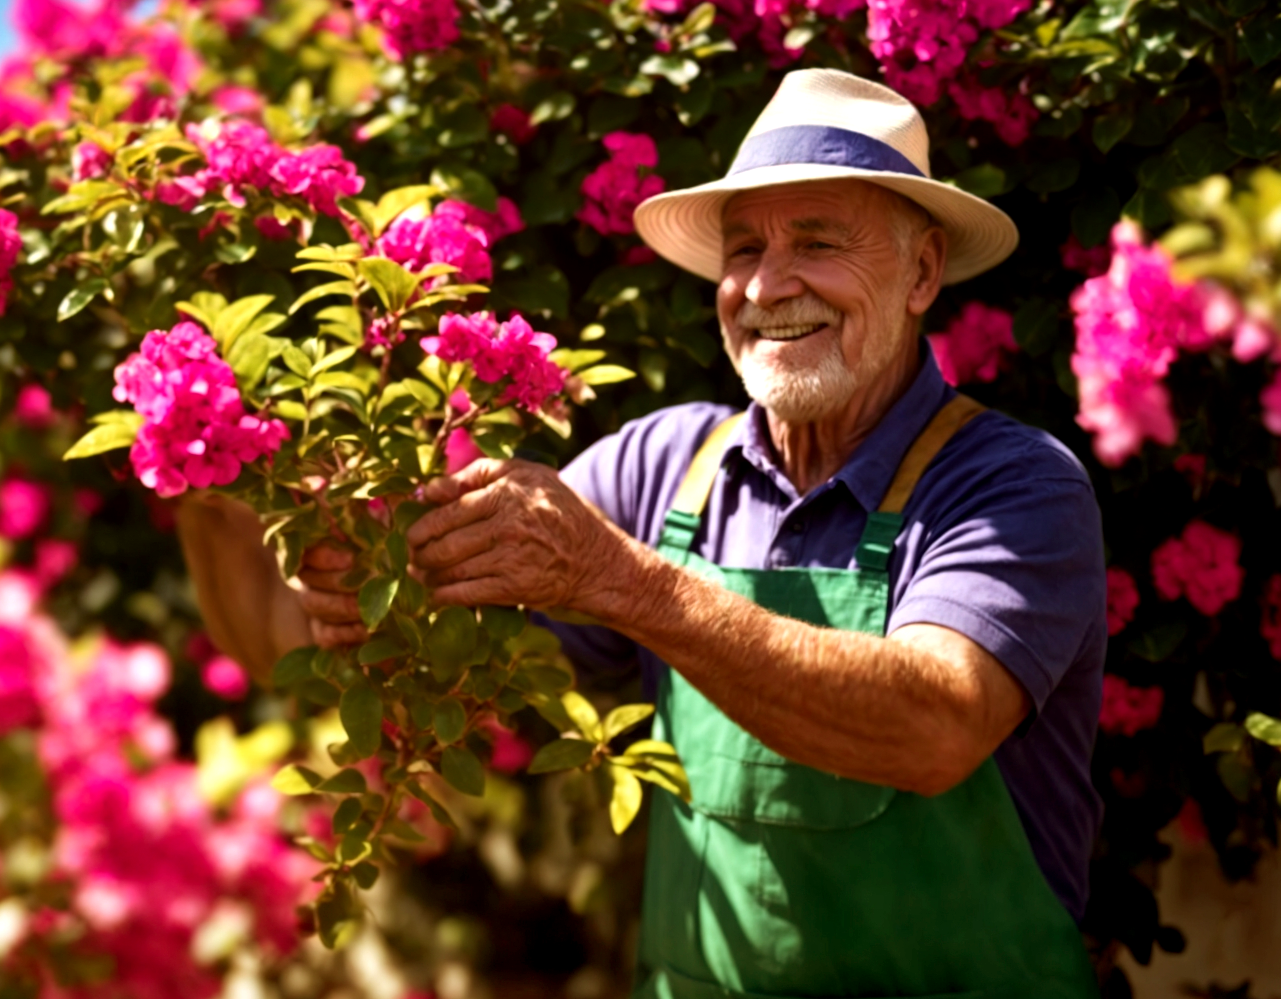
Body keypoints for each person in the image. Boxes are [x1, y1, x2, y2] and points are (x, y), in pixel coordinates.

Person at [185, 69, 1105, 997]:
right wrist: (213, 481)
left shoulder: (1009, 483)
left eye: (818, 241)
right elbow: (350, 653)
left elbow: (933, 726)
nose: (766, 285)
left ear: (922, 271)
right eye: (743, 249)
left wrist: (625, 582)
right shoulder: (664, 467)